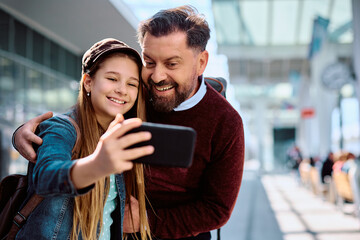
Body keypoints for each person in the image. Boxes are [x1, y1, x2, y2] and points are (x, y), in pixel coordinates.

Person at [13, 5, 245, 240]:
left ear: (202, 62)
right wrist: (26, 131)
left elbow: (216, 209)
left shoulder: (226, 122)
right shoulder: (137, 92)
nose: (157, 76)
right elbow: (83, 117)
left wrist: (143, 222)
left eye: (172, 64)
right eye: (149, 62)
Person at [13, 38, 153, 239]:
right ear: (88, 82)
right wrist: (97, 164)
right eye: (112, 79)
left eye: (132, 84)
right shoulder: (62, 127)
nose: (122, 89)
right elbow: (46, 177)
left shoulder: (123, 134)